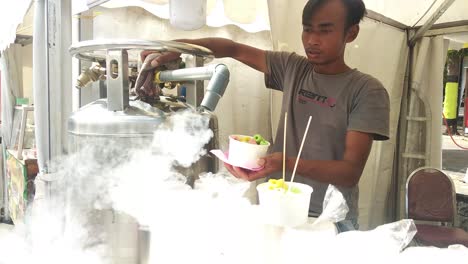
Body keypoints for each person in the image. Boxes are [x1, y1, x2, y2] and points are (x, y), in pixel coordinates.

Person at [144, 0, 390, 228]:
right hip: (275, 210)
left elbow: (349, 172)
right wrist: (175, 49)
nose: (312, 40)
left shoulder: (366, 90)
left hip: (328, 218)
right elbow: (232, 48)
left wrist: (285, 162)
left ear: (351, 33)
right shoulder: (294, 68)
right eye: (307, 29)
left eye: (324, 30)